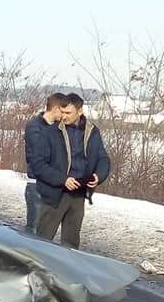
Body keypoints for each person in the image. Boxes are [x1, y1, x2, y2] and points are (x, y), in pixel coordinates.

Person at [34, 93, 110, 249]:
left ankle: (64, 273)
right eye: (62, 112)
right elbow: (38, 165)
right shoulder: (50, 133)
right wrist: (63, 180)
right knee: (41, 242)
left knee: (71, 246)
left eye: (68, 113)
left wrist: (98, 175)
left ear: (80, 111)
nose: (63, 116)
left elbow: (103, 158)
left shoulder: (92, 132)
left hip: (79, 194)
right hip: (55, 194)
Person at [24, 93, 67, 233]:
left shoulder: (57, 128)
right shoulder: (34, 127)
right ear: (55, 108)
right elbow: (40, 157)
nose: (64, 115)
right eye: (62, 110)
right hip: (37, 184)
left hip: (52, 185)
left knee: (46, 233)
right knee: (35, 231)